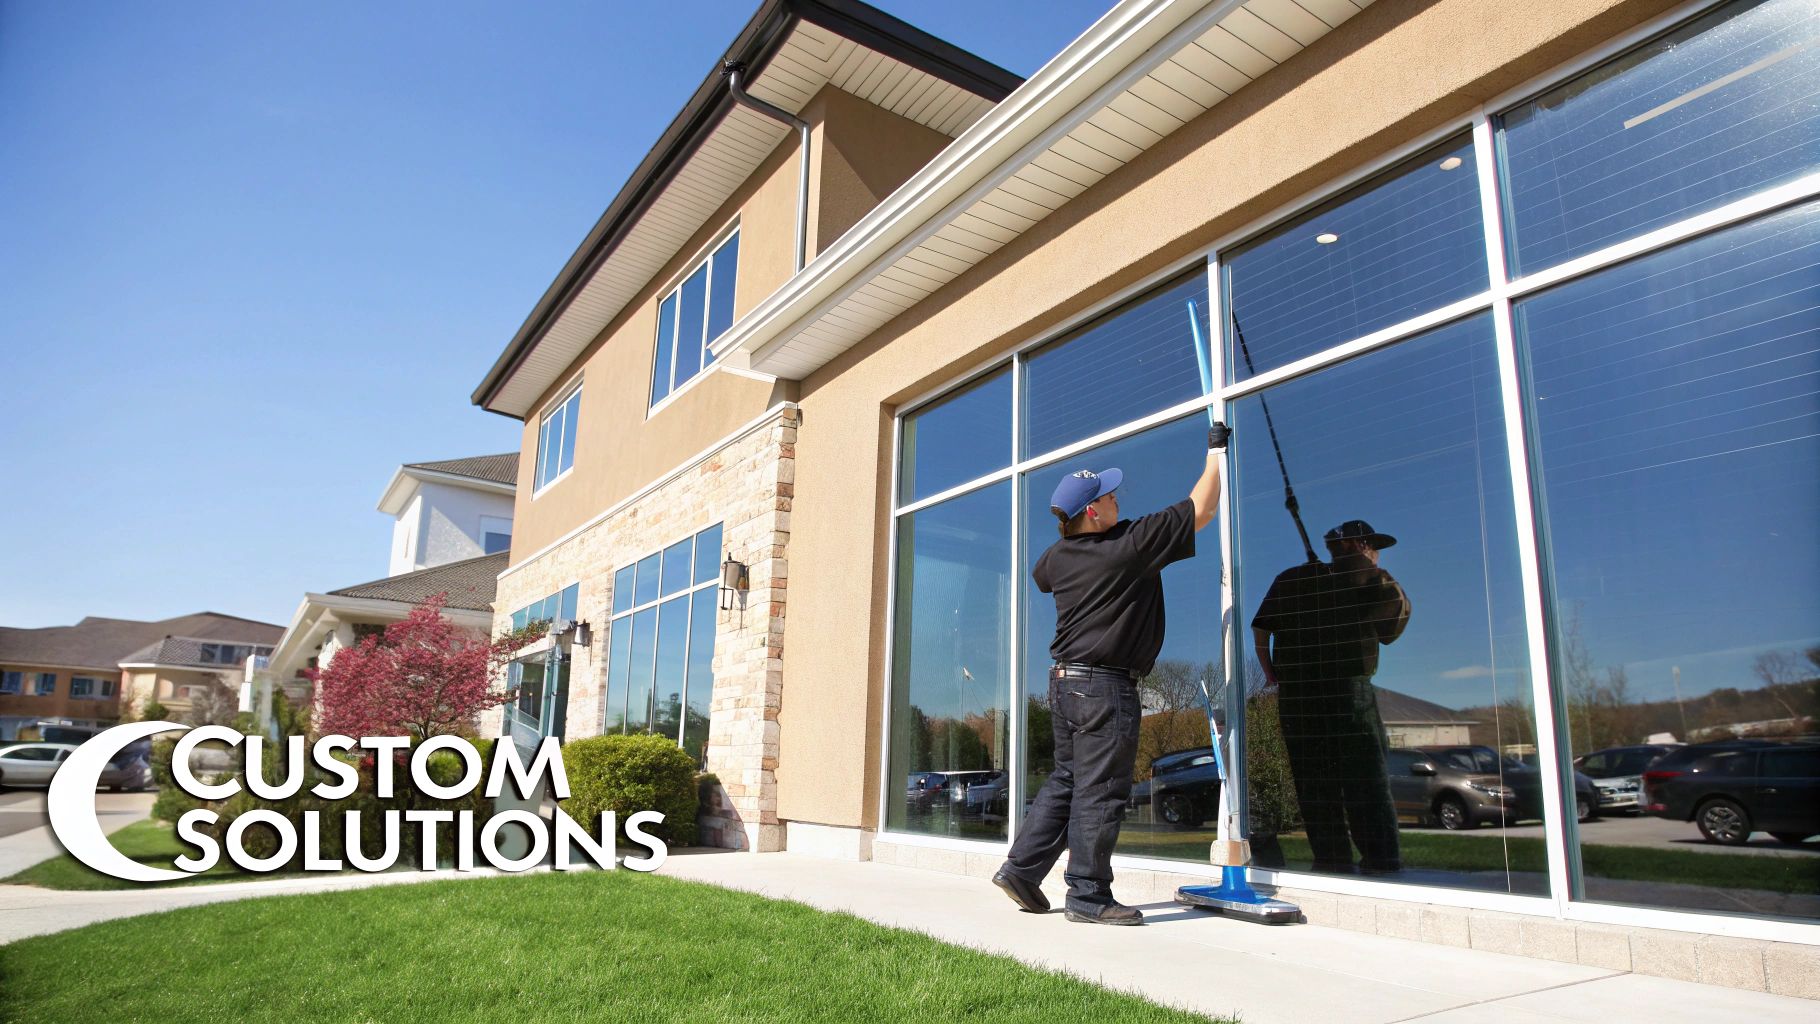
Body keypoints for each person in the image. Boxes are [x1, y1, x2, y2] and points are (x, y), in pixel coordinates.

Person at [992, 422, 1230, 926]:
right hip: (1104, 688)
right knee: (1100, 791)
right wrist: (1216, 453)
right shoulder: (1129, 546)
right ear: (1094, 511)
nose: (1118, 498)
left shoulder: (1056, 558)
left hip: (1064, 684)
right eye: (1109, 495)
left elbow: (1041, 573)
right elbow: (1202, 509)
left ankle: (1021, 870)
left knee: (1067, 781)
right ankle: (1088, 897)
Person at [1250, 520, 1412, 874]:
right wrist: (1366, 573)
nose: (1377, 555)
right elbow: (1395, 623)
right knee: (1365, 779)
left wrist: (1269, 672)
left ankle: (1331, 859)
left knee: (1313, 782)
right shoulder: (1371, 578)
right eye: (1374, 548)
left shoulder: (1291, 578)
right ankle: (1381, 859)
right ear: (1360, 545)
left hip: (1298, 695)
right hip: (1347, 689)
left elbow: (1261, 627)